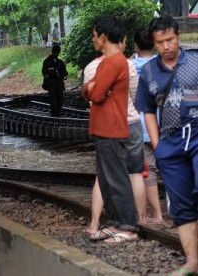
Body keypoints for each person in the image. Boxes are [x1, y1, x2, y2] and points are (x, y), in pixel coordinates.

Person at [135, 16, 198, 275]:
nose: (166, 46)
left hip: (196, 133)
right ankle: (193, 261)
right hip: (170, 143)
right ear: (154, 42)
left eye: (170, 40)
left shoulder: (195, 61)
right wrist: (159, 146)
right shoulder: (149, 71)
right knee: (181, 205)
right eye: (160, 42)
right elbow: (147, 109)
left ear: (178, 36)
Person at [84, 35, 148, 237]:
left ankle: (128, 226)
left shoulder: (115, 62)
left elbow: (95, 94)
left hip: (113, 126)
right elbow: (90, 91)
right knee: (108, 179)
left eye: (95, 35)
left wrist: (93, 89)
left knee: (117, 178)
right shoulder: (110, 63)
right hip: (110, 127)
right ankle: (115, 223)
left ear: (104, 37)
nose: (93, 39)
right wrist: (92, 89)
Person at [132, 28, 163, 224]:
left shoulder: (129, 66)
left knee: (147, 171)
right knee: (171, 168)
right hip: (164, 126)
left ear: (135, 45)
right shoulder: (162, 65)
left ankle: (156, 214)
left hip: (140, 127)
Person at [42, 45, 68, 117]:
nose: (56, 54)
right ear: (53, 52)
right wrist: (50, 79)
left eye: (58, 53)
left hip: (59, 84)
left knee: (60, 100)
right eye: (55, 53)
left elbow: (65, 72)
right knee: (53, 100)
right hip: (52, 85)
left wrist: (62, 75)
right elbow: (44, 73)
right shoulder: (47, 62)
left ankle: (58, 112)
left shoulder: (60, 62)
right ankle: (54, 113)